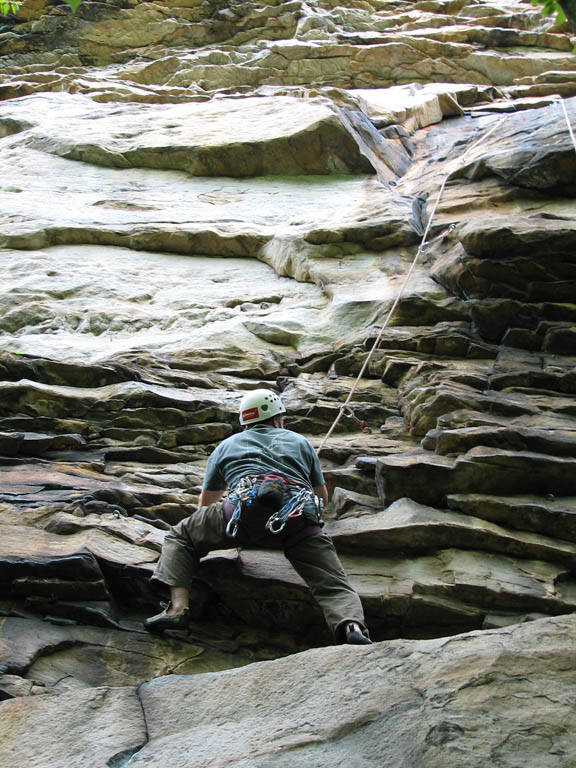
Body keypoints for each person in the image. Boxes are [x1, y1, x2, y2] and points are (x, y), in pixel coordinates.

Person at [145, 388, 371, 645]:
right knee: (332, 582)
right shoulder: (299, 441)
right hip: (297, 518)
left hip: (243, 512)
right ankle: (351, 626)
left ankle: (177, 609)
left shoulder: (226, 446)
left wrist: (216, 533)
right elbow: (322, 499)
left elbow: (206, 504)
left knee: (181, 534)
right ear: (276, 419)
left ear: (246, 421)